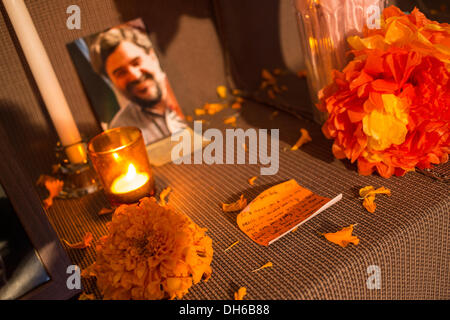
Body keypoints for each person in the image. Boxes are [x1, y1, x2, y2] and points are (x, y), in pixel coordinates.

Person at [90, 25, 186, 145]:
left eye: (136, 62)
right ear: (111, 81)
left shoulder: (195, 89)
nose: (135, 76)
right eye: (121, 73)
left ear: (152, 56)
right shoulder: (121, 129)